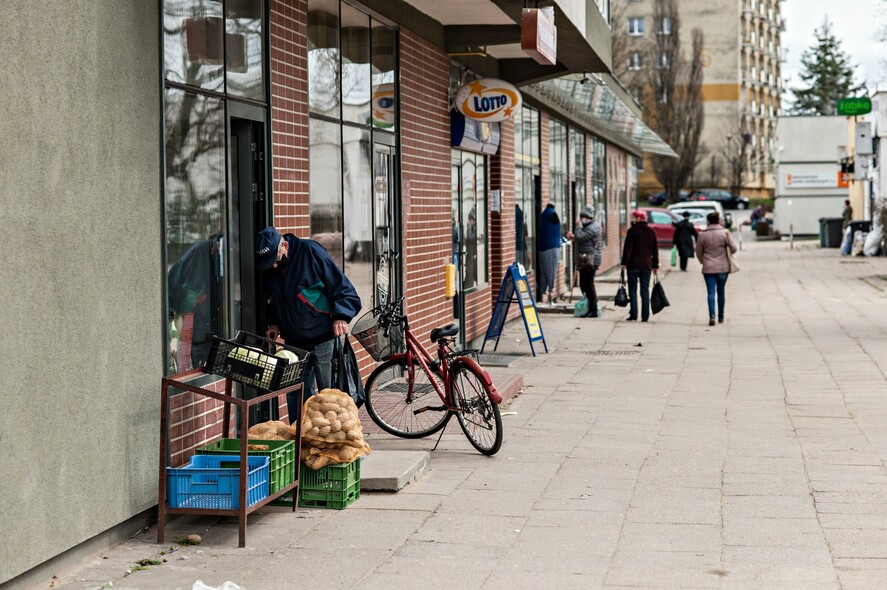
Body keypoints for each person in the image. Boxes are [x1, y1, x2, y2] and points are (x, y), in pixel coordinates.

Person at [255, 226, 362, 424]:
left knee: (329, 395)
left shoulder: (311, 252)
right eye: (270, 264)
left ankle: (336, 441)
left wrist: (341, 315)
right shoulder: (271, 269)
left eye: (276, 260)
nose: (274, 267)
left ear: (284, 245)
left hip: (322, 337)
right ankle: (301, 440)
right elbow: (276, 300)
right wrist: (274, 324)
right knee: (296, 393)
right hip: (294, 341)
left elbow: (342, 287)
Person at [695, 211, 738, 326]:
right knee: (721, 292)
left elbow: (698, 251)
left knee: (710, 292)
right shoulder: (725, 233)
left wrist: (703, 261)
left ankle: (712, 315)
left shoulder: (702, 235)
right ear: (719, 221)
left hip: (708, 267)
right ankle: (721, 317)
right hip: (723, 267)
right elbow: (734, 249)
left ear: (708, 221)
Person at [620, 210, 659, 322]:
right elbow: (655, 251)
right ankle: (645, 316)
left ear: (638, 219)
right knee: (645, 290)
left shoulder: (632, 231)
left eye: (634, 217)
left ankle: (634, 314)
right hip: (647, 265)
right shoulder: (651, 232)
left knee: (632, 289)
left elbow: (628, 249)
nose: (633, 219)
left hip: (633, 265)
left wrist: (624, 263)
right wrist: (655, 266)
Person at [567, 206, 602, 317]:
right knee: (583, 284)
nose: (581, 219)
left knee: (588, 284)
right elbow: (581, 238)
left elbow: (581, 237)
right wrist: (575, 237)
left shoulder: (593, 227)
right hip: (585, 260)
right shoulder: (589, 226)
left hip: (590, 261)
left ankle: (593, 309)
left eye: (582, 217)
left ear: (587, 217)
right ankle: (590, 306)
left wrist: (577, 228)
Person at [538, 202, 561, 306]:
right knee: (551, 271)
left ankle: (544, 293)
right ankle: (550, 296)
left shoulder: (542, 215)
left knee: (544, 273)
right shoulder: (552, 214)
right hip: (551, 248)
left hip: (542, 248)